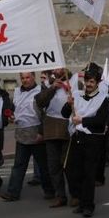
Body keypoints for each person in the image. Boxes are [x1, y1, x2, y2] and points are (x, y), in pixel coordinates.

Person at [61, 65, 109, 217]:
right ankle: (81, 201)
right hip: (77, 137)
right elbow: (64, 113)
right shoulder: (76, 94)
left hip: (93, 139)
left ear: (97, 83)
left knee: (89, 174)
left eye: (92, 82)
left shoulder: (103, 99)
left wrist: (82, 120)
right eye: (87, 81)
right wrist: (69, 105)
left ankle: (88, 205)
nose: (88, 84)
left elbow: (101, 121)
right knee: (75, 172)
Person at [0, 72, 54, 202]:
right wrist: (12, 115)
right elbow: (15, 107)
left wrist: (42, 132)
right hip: (22, 132)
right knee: (19, 165)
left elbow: (47, 112)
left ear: (33, 77)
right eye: (22, 78)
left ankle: (50, 191)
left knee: (43, 165)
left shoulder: (41, 90)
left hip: (36, 131)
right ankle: (13, 192)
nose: (25, 80)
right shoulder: (17, 91)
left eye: (27, 77)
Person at [35, 68, 73, 207]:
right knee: (53, 166)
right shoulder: (46, 84)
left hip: (68, 127)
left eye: (59, 67)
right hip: (51, 128)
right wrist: (53, 88)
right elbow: (40, 102)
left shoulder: (74, 82)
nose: (57, 70)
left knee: (69, 165)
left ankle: (75, 194)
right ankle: (61, 195)